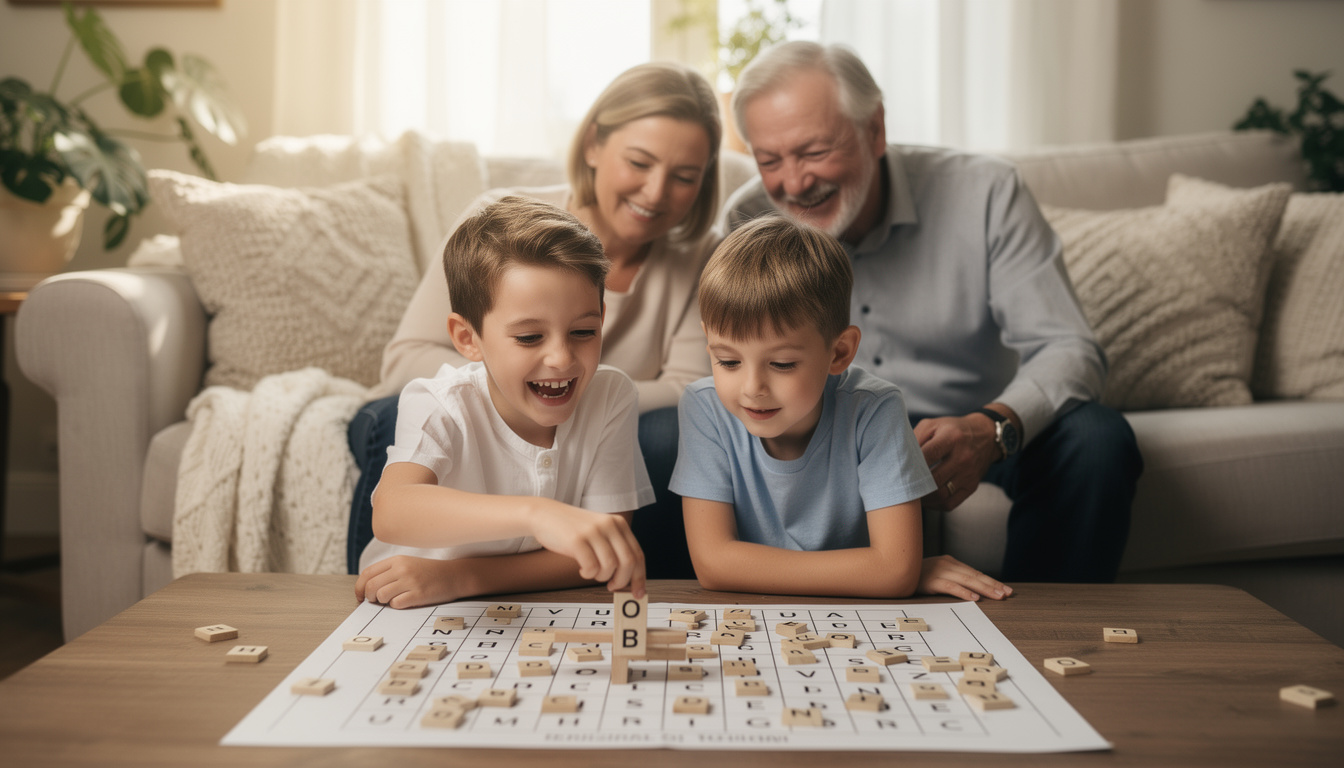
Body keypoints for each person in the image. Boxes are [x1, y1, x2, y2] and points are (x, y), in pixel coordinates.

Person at [722, 41, 1142, 583]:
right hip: (824, 439)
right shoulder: (750, 218)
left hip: (970, 424)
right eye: (769, 160)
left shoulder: (986, 192)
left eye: (814, 151)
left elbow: (1069, 348)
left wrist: (991, 429)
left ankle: (1044, 637)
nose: (795, 183)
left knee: (1097, 440)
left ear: (874, 130)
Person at [349, 62, 723, 579]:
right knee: (395, 418)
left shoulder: (611, 393)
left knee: (665, 433)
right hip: (464, 399)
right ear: (593, 144)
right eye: (640, 162)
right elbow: (392, 501)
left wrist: (579, 387)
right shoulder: (496, 229)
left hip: (574, 420)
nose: (657, 193)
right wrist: (504, 388)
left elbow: (688, 390)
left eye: (684, 177)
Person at [670, 217, 1010, 600]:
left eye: (781, 364)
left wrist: (895, 571)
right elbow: (713, 565)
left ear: (840, 352)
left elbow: (894, 570)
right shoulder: (703, 406)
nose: (752, 389)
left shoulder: (875, 409)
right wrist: (885, 571)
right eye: (728, 362)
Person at [354, 196, 653, 608]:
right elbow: (391, 510)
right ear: (467, 339)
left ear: (602, 317)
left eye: (583, 331)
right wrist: (537, 513)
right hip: (408, 607)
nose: (562, 358)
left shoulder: (611, 395)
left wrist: (462, 577)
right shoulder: (439, 403)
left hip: (480, 597)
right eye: (529, 337)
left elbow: (602, 554)